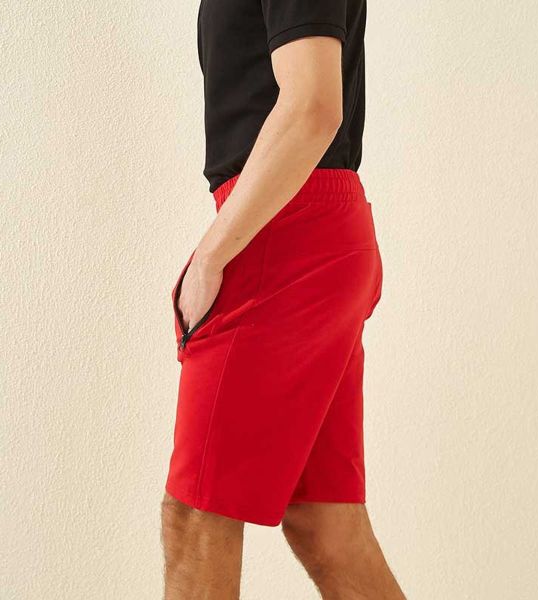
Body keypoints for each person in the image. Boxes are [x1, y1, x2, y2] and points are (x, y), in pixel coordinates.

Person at [161, 0, 406, 598]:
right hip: (307, 228)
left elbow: (312, 108)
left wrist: (212, 256)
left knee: (197, 516)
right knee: (326, 521)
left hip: (285, 233)